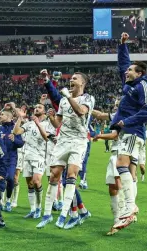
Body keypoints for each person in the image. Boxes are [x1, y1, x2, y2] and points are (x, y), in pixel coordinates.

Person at [37, 72, 95, 229]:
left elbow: (81, 112)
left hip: (78, 141)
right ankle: (47, 215)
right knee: (54, 175)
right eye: (70, 79)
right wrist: (51, 117)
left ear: (82, 83)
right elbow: (58, 124)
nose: (71, 81)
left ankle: (64, 215)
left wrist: (68, 97)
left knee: (71, 175)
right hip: (62, 141)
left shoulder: (88, 98)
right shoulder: (63, 100)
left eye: (75, 79)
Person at [110, 32, 147, 230]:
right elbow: (122, 64)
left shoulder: (143, 85)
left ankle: (130, 207)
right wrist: (122, 45)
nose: (126, 71)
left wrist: (125, 121)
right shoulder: (129, 86)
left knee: (121, 164)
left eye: (130, 70)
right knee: (126, 169)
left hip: (133, 131)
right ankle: (129, 209)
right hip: (126, 131)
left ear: (139, 73)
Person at [13, 103, 54, 219]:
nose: (36, 108)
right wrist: (20, 118)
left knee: (36, 181)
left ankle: (39, 207)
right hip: (27, 157)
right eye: (35, 107)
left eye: (39, 107)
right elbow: (16, 132)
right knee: (30, 184)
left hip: (40, 157)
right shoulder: (28, 124)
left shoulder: (47, 124)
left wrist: (37, 123)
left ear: (44, 112)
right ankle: (32, 210)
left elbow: (46, 138)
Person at [93, 100, 127, 235]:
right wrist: (85, 108)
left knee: (119, 185)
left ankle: (123, 217)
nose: (114, 106)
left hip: (121, 153)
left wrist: (99, 135)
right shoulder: (116, 116)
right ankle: (117, 219)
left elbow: (114, 135)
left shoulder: (123, 116)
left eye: (117, 105)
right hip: (114, 153)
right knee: (112, 188)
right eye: (114, 105)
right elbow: (100, 115)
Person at [0, 103, 24, 212]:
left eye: (2, 115)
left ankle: (9, 201)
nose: (0, 116)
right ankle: (0, 201)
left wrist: (14, 139)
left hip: (11, 159)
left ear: (9, 117)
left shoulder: (15, 129)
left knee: (10, 179)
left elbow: (21, 143)